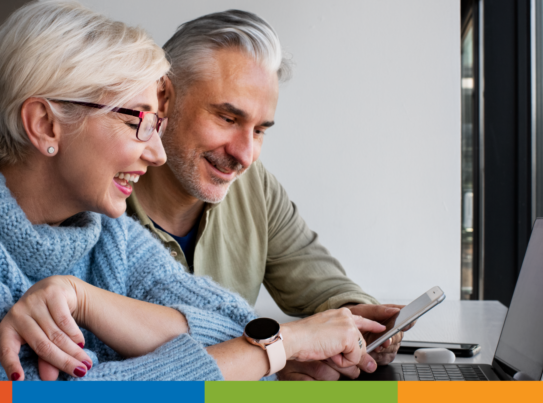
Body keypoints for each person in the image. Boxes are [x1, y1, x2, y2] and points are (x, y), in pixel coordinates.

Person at [0, 0, 384, 381]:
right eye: (135, 120)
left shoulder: (100, 233)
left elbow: (229, 319)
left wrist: (83, 298)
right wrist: (275, 350)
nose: (157, 151)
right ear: (45, 125)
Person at [124, 10, 409, 381]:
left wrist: (356, 321)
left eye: (259, 130)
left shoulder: (253, 184)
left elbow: (320, 281)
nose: (244, 155)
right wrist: (274, 357)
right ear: (162, 98)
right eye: (227, 118)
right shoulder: (97, 199)